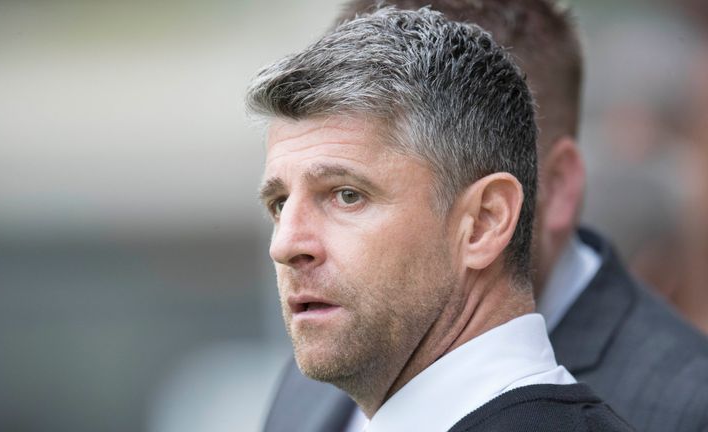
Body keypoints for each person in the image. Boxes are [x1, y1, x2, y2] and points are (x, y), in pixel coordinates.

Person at [262, 1, 708, 432]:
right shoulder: (322, 381)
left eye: (347, 195)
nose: (283, 244)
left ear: (484, 221)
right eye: (279, 203)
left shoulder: (679, 399)